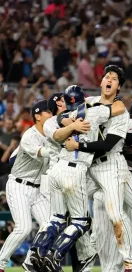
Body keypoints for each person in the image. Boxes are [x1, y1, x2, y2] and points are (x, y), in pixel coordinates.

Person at [66, 95, 132, 272]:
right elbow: (127, 139)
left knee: (121, 231)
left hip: (120, 177)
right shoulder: (128, 122)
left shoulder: (129, 123)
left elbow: (130, 148)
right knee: (104, 237)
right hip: (104, 177)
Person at [31, 85, 127, 271]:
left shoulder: (52, 121)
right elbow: (119, 108)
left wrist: (68, 122)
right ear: (84, 98)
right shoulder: (93, 112)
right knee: (81, 222)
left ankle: (38, 249)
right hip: (75, 171)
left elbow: (58, 135)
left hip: (55, 171)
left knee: (57, 218)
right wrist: (76, 124)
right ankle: (54, 254)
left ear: (65, 101)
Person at [0, 100, 53, 272]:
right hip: (19, 185)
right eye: (47, 112)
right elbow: (42, 152)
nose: (51, 115)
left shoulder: (51, 134)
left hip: (37, 188)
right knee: (23, 228)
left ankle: (30, 262)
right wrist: (61, 148)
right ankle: (0, 263)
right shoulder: (30, 135)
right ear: (37, 116)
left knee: (49, 225)